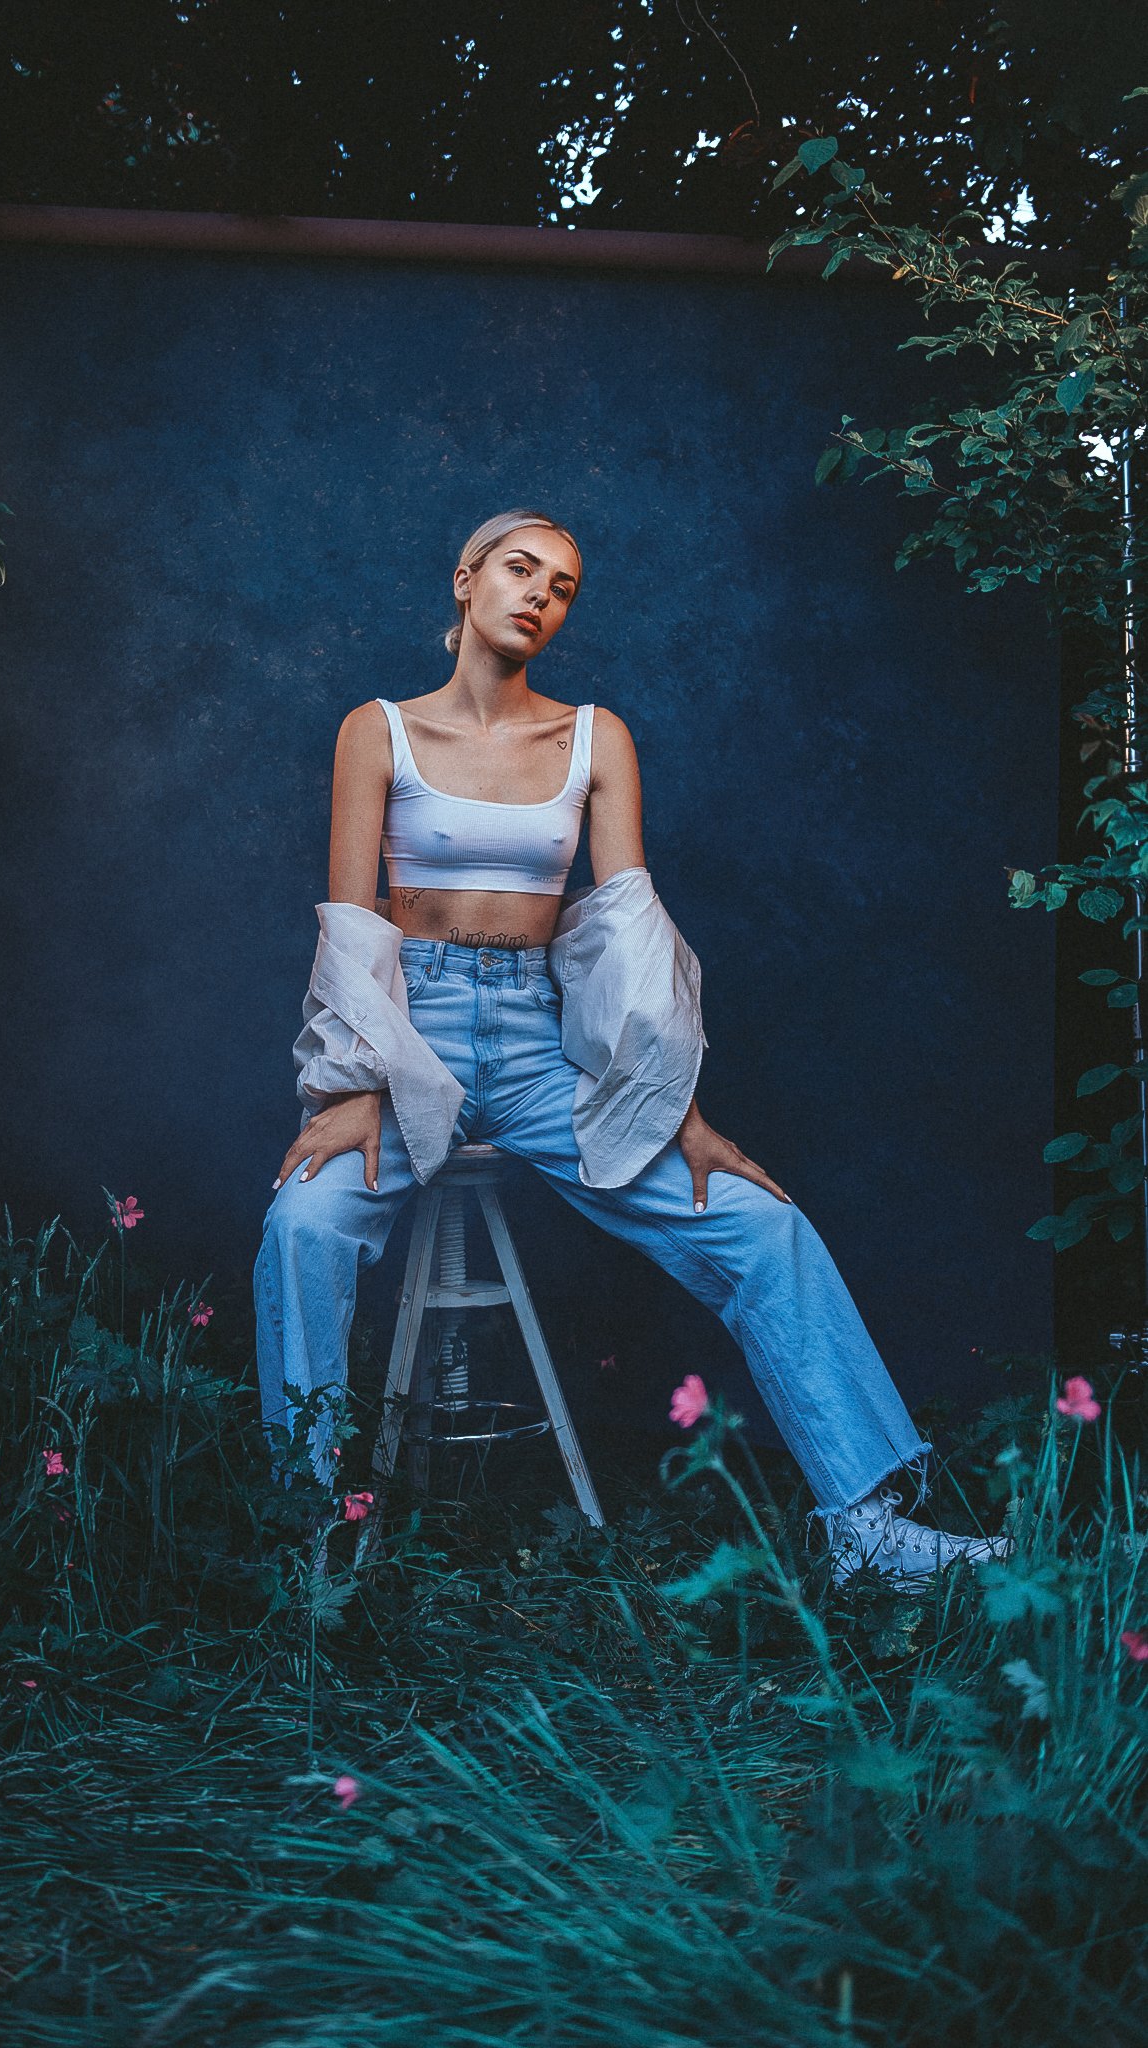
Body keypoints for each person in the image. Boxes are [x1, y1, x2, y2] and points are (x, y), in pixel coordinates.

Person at [253, 508, 1012, 1585]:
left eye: (561, 586)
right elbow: (351, 925)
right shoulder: (376, 730)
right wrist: (352, 1086)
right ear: (466, 579)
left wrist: (676, 1106)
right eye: (521, 569)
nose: (539, 595)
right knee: (301, 1224)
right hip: (410, 1033)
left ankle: (868, 1528)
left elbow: (626, 935)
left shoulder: (592, 737)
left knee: (762, 1227)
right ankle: (312, 1529)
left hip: (537, 1045)